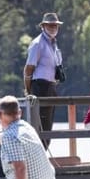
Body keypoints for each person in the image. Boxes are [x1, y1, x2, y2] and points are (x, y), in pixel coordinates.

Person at [23, 12, 64, 148]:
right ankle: (37, 154)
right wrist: (28, 90)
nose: (53, 28)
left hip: (51, 87)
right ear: (43, 27)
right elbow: (28, 69)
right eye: (50, 25)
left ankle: (43, 153)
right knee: (39, 125)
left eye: (55, 25)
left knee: (47, 126)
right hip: (40, 86)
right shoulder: (37, 44)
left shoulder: (53, 44)